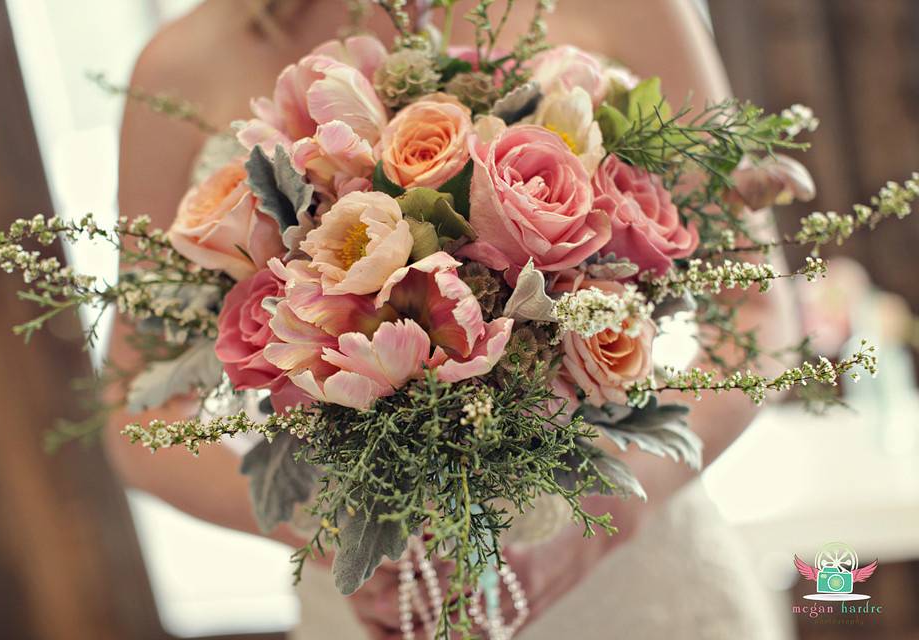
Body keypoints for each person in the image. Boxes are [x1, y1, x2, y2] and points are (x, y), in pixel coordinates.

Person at [106, 1, 799, 638]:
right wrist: (322, 535)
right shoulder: (186, 61)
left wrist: (607, 518)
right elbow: (136, 414)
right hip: (379, 592)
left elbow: (760, 312)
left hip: (640, 582)